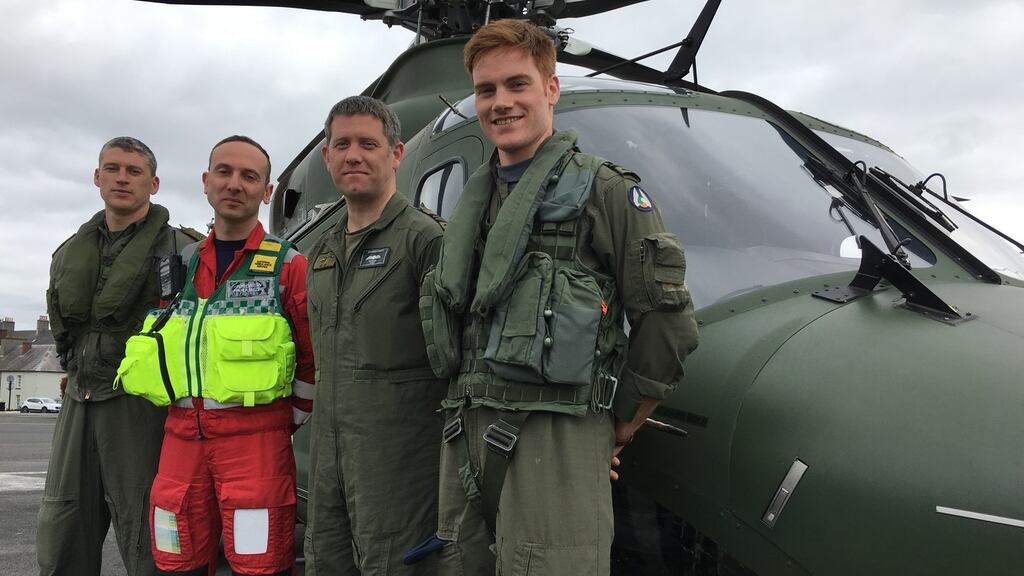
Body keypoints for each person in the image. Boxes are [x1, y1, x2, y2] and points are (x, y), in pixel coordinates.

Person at [421, 19, 699, 576]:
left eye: (517, 84)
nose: (501, 102)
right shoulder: (471, 207)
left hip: (557, 434)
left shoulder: (606, 190)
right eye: (486, 90)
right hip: (464, 435)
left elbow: (667, 321)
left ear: (551, 89)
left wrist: (620, 424)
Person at [119, 135, 315, 576]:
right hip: (180, 445)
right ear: (206, 182)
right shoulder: (181, 264)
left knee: (258, 563)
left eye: (249, 176)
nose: (234, 184)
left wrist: (288, 419)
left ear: (266, 192)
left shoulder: (288, 266)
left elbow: (311, 360)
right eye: (224, 172)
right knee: (175, 559)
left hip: (256, 445)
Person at [39, 136, 201, 576]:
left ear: (154, 183)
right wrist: (73, 370)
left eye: (134, 171)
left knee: (149, 535)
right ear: (97, 177)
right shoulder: (68, 253)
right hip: (79, 401)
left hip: (144, 409)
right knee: (62, 529)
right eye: (112, 169)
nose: (122, 178)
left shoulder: (184, 249)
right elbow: (65, 326)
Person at [303, 96, 447, 575]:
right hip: (329, 457)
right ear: (327, 158)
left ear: (396, 154)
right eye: (341, 145)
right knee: (325, 561)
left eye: (368, 143)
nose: (353, 155)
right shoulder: (322, 252)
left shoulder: (425, 240)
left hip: (399, 463)